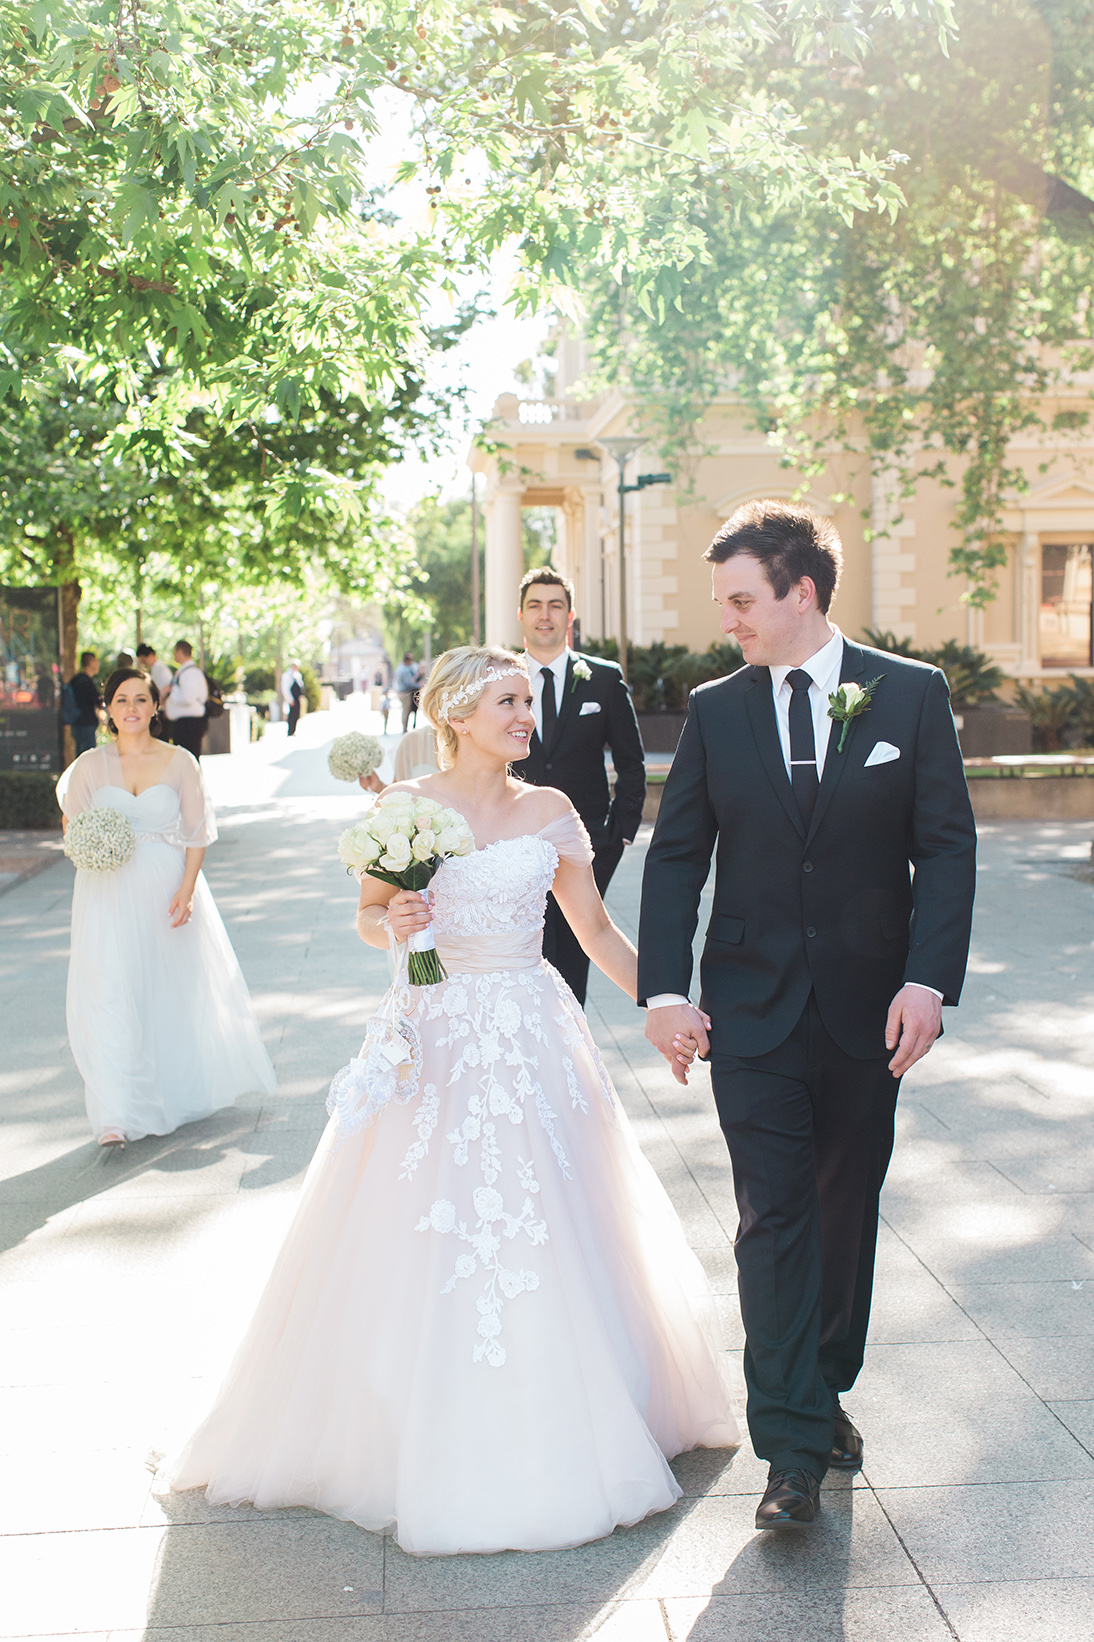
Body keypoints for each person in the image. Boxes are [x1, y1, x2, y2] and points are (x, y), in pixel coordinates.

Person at [171, 645, 738, 1555]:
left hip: (529, 1027)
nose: (527, 716)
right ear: (459, 712)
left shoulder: (551, 811)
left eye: (527, 701)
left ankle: (574, 1405)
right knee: (415, 1214)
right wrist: (388, 920)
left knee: (553, 1214)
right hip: (427, 1035)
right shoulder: (405, 809)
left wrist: (666, 1003)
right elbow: (369, 915)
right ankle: (399, 1420)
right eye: (509, 701)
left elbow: (591, 929)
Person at [639, 501, 977, 1531]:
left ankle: (821, 1383)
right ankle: (787, 1448)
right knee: (771, 1218)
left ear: (801, 592)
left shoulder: (909, 696)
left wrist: (928, 979)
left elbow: (946, 845)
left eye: (742, 600)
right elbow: (678, 852)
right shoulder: (715, 707)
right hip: (747, 1008)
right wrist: (663, 990)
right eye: (722, 603)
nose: (727, 621)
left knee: (841, 1212)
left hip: (869, 1013)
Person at [57, 669, 276, 1147]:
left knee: (163, 988)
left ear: (156, 707)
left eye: (141, 699)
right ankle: (114, 1113)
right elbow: (75, 828)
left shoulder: (180, 762)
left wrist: (187, 888)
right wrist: (96, 848)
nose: (131, 707)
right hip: (104, 889)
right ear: (107, 709)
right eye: (120, 699)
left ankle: (169, 1093)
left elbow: (196, 834)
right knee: (110, 989)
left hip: (163, 886)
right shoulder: (90, 766)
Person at [514, 567, 646, 1005]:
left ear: (570, 615)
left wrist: (620, 832)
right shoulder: (500, 680)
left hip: (586, 841)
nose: (545, 615)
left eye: (555, 605)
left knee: (576, 949)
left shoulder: (604, 679)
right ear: (521, 615)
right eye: (535, 605)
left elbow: (631, 761)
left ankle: (569, 1049)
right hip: (513, 842)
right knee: (524, 949)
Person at [162, 641, 208, 758]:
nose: (174, 655)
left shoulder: (190, 673)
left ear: (180, 651)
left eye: (175, 652)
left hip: (189, 725)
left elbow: (188, 699)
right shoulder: (186, 671)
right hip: (185, 724)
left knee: (189, 760)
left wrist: (170, 694)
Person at [67, 651, 101, 756]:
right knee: (88, 756)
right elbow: (97, 701)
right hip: (87, 724)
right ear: (90, 662)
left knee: (80, 755)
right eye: (96, 661)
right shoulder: (87, 682)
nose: (97, 664)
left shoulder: (75, 680)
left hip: (75, 724)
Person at [393, 651, 418, 732]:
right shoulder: (405, 670)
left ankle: (405, 727)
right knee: (406, 710)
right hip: (405, 692)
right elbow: (408, 683)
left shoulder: (400, 668)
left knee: (405, 710)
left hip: (400, 692)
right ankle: (405, 728)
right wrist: (418, 686)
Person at [281, 660, 304, 737]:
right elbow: (285, 689)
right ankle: (290, 731)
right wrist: (290, 700)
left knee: (296, 714)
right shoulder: (288, 675)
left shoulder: (297, 675)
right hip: (292, 699)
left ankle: (293, 730)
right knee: (292, 715)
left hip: (297, 698)